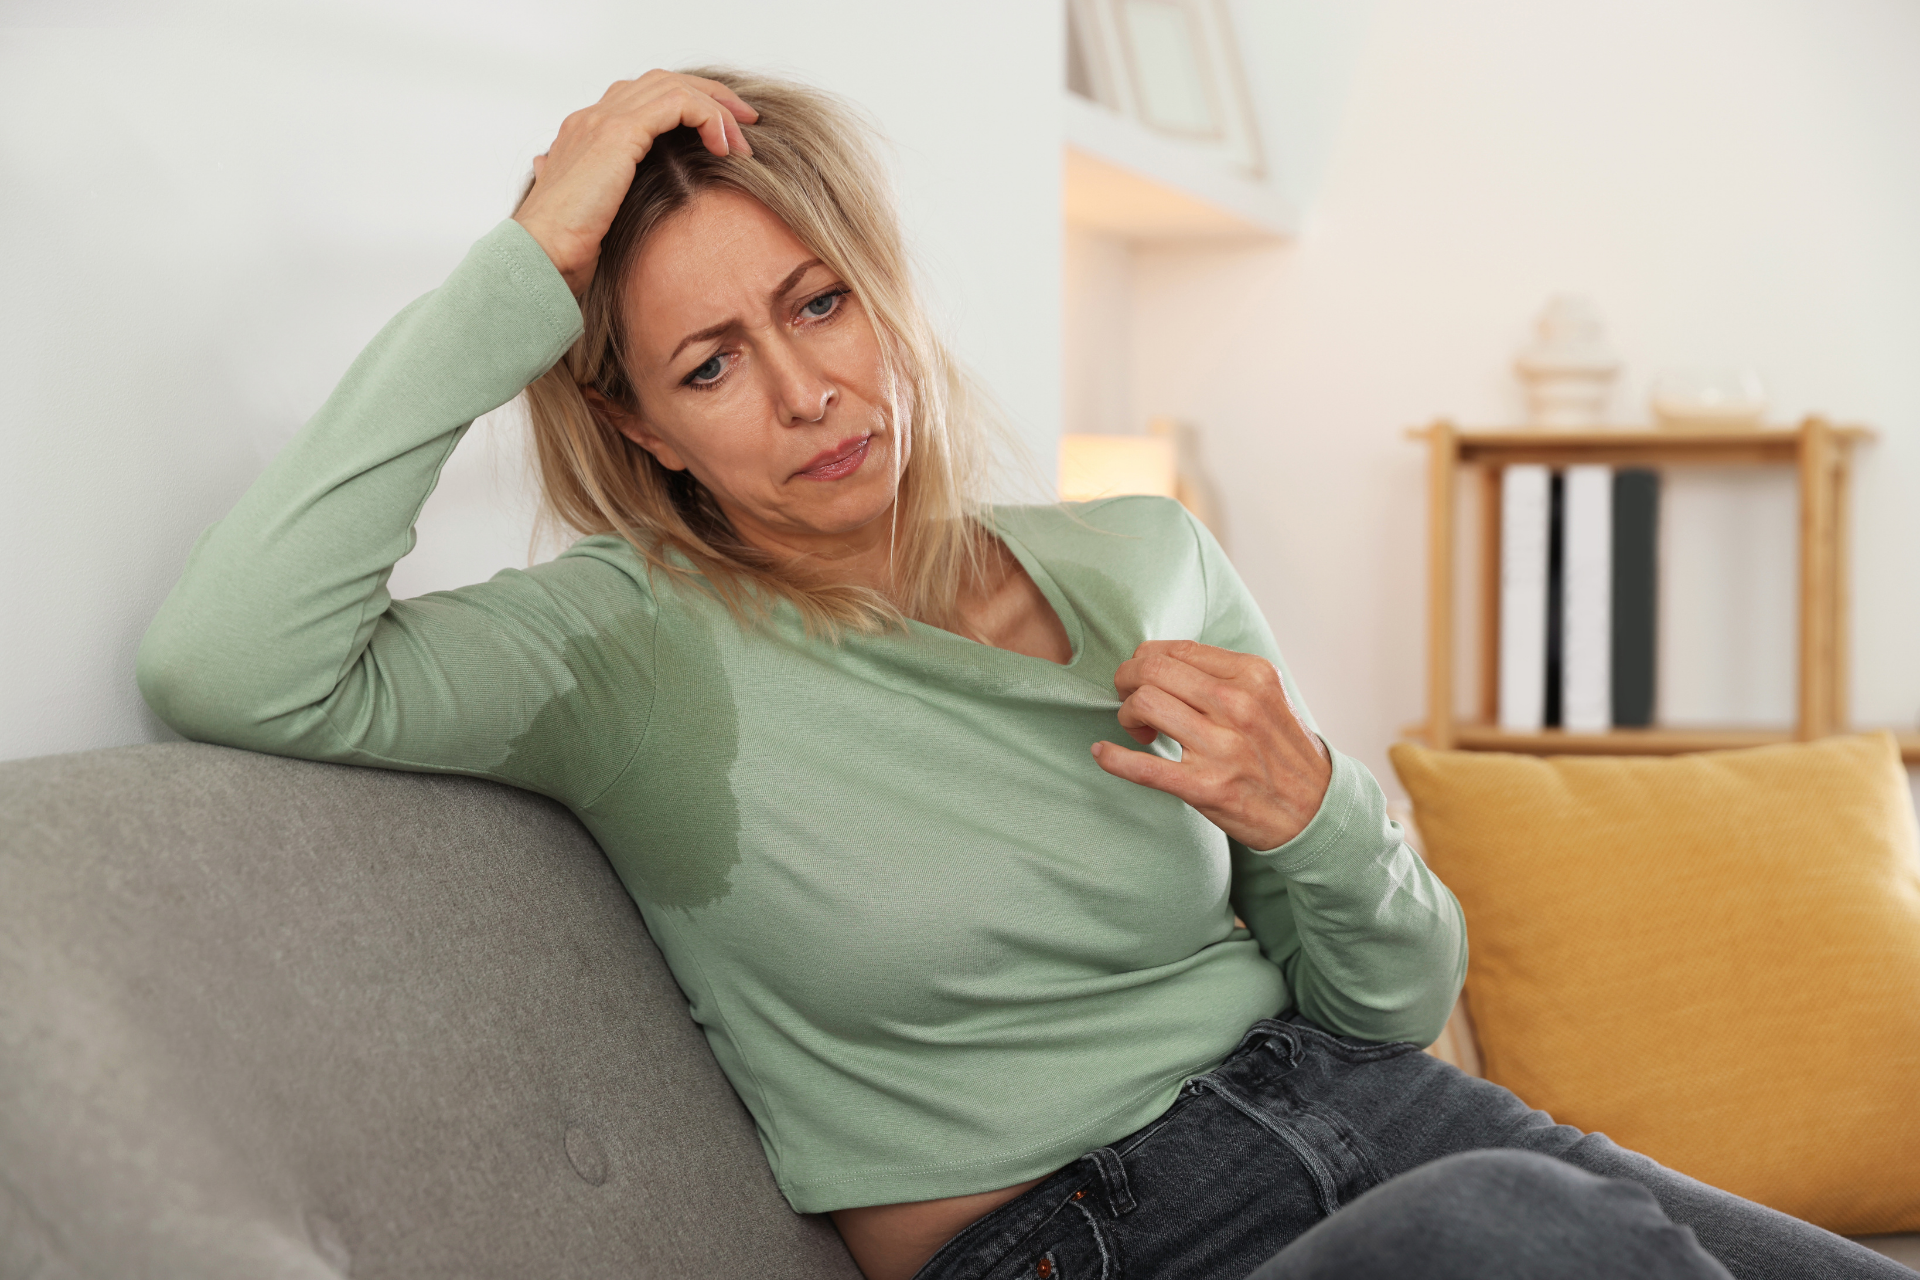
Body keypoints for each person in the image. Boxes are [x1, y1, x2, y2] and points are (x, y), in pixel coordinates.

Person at [135, 68, 1907, 1280]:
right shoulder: (623, 644)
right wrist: (533, 257)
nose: (807, 391)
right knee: (1525, 1234)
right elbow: (234, 658)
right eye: (710, 361)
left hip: (1391, 1112)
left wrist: (1315, 816)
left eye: (819, 306)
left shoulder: (1141, 558)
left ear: (884, 295)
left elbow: (1385, 1002)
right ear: (639, 426)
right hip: (1087, 1240)